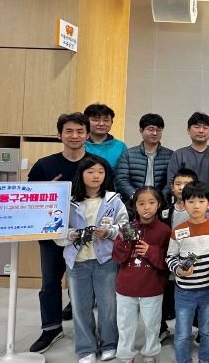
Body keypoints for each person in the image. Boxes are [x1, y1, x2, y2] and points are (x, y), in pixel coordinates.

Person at [28, 112, 89, 354]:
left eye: (80, 131)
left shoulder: (95, 165)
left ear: (87, 135)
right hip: (51, 234)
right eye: (69, 131)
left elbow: (107, 198)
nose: (75, 136)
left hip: (85, 237)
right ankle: (51, 328)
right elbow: (29, 199)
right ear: (59, 135)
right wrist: (48, 192)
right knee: (50, 282)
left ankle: (87, 330)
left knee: (84, 284)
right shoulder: (44, 165)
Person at [58, 154, 128, 363]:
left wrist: (109, 232)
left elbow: (125, 227)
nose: (96, 176)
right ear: (81, 174)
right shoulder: (69, 201)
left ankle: (109, 344)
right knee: (80, 307)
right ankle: (86, 349)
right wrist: (71, 234)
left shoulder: (113, 200)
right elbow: (55, 229)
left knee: (108, 306)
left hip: (105, 260)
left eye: (100, 172)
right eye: (90, 172)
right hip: (77, 261)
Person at [165, 181, 209, 363]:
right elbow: (170, 257)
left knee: (207, 331)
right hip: (184, 292)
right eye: (191, 201)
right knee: (183, 333)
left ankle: (205, 360)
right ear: (183, 204)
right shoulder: (178, 231)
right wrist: (179, 270)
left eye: (201, 201)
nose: (196, 206)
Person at [112, 186, 171, 363]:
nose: (147, 207)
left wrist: (150, 251)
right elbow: (117, 258)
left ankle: (150, 353)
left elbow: (167, 262)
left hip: (152, 288)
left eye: (151, 202)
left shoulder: (164, 231)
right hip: (126, 287)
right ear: (135, 206)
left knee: (152, 324)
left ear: (158, 204)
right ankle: (126, 354)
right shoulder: (127, 228)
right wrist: (124, 241)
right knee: (125, 324)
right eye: (141, 203)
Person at [158, 167, 198, 342]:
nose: (182, 187)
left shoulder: (200, 209)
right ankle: (163, 329)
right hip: (169, 262)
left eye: (187, 184)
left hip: (193, 262)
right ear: (172, 187)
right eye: (178, 184)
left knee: (193, 299)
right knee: (166, 299)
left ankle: (197, 330)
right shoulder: (165, 210)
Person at [115, 113, 173, 206]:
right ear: (141, 130)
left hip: (161, 204)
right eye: (151, 129)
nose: (155, 133)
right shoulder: (128, 154)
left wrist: (161, 198)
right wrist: (137, 197)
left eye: (158, 130)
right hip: (133, 204)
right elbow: (122, 180)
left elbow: (171, 181)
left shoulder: (170, 155)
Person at [167, 112, 209, 193]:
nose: (201, 131)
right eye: (197, 127)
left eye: (205, 128)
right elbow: (172, 180)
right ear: (188, 130)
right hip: (185, 199)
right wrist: (188, 197)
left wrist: (205, 197)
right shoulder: (179, 154)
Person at [84, 103, 127, 169]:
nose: (101, 124)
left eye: (106, 120)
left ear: (111, 122)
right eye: (96, 120)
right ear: (86, 122)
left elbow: (123, 172)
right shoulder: (79, 145)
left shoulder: (120, 147)